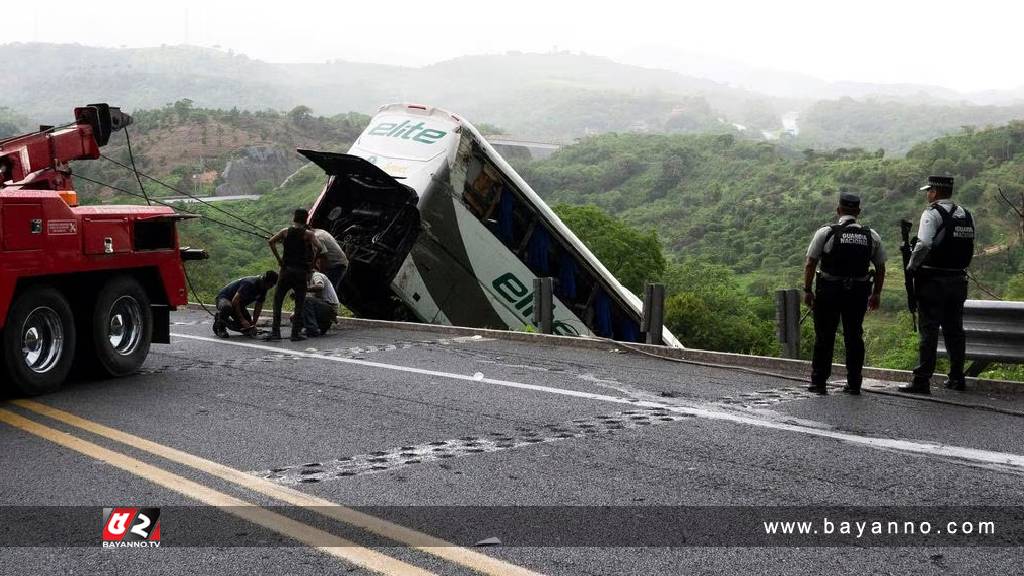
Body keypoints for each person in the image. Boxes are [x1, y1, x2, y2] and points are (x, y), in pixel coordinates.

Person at [803, 193, 886, 395]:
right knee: (854, 336)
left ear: (838, 210)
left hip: (829, 292)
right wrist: (876, 294)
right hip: (858, 293)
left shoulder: (826, 232)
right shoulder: (871, 235)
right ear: (858, 212)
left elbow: (810, 263)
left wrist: (807, 290)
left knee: (824, 336)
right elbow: (881, 267)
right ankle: (854, 382)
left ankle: (819, 382)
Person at [900, 176, 976, 394]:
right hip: (958, 280)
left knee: (929, 330)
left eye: (929, 190)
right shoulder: (966, 214)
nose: (927, 194)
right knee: (955, 330)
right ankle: (957, 377)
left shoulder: (932, 213)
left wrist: (912, 266)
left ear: (935, 192)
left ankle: (922, 380)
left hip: (933, 281)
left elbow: (923, 243)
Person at [266, 208, 319, 342]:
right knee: (299, 304)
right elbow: (321, 248)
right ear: (306, 219)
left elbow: (271, 242)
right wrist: (311, 264)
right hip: (301, 273)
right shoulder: (308, 234)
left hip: (286, 271)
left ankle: (275, 332)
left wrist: (279, 260)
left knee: (277, 302)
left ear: (294, 218)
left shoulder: (285, 231)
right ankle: (295, 334)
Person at [212, 271, 277, 338]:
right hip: (224, 299)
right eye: (270, 285)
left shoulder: (264, 289)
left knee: (248, 329)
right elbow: (235, 301)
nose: (270, 287)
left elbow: (258, 307)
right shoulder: (249, 283)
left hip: (239, 304)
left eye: (272, 286)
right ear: (265, 281)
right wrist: (242, 319)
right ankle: (220, 326)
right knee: (227, 307)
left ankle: (224, 320)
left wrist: (253, 324)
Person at [302, 257, 340, 337]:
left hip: (329, 307)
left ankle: (312, 329)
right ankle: (319, 327)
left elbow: (320, 286)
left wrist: (305, 290)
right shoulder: (308, 281)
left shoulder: (316, 275)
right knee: (295, 315)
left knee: (306, 300)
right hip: (323, 309)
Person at [313, 228, 349, 292]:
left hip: (337, 265)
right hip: (338, 262)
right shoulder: (320, 231)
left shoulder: (317, 237)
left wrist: (321, 275)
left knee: (328, 289)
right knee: (329, 289)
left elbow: (323, 258)